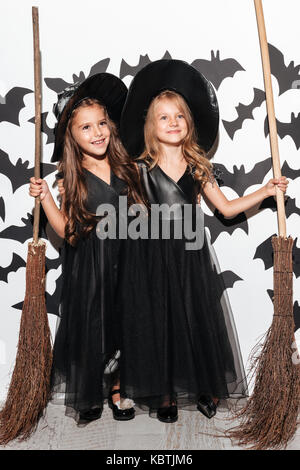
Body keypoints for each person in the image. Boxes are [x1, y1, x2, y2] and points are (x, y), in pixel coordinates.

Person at [116, 59, 289, 423]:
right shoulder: (141, 170)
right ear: (151, 125)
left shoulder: (199, 167)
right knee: (160, 322)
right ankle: (165, 394)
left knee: (196, 319)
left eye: (179, 116)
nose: (173, 122)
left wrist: (265, 191)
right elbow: (128, 213)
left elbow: (226, 209)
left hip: (192, 255)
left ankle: (207, 388)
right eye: (164, 117)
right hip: (153, 255)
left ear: (189, 122)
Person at [29, 73, 143, 425]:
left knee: (127, 324)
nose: (97, 133)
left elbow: (141, 216)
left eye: (102, 123)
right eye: (86, 128)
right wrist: (47, 197)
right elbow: (68, 231)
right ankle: (90, 390)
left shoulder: (128, 167)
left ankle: (119, 389)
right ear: (71, 137)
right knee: (95, 328)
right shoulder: (70, 178)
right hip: (91, 268)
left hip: (128, 262)